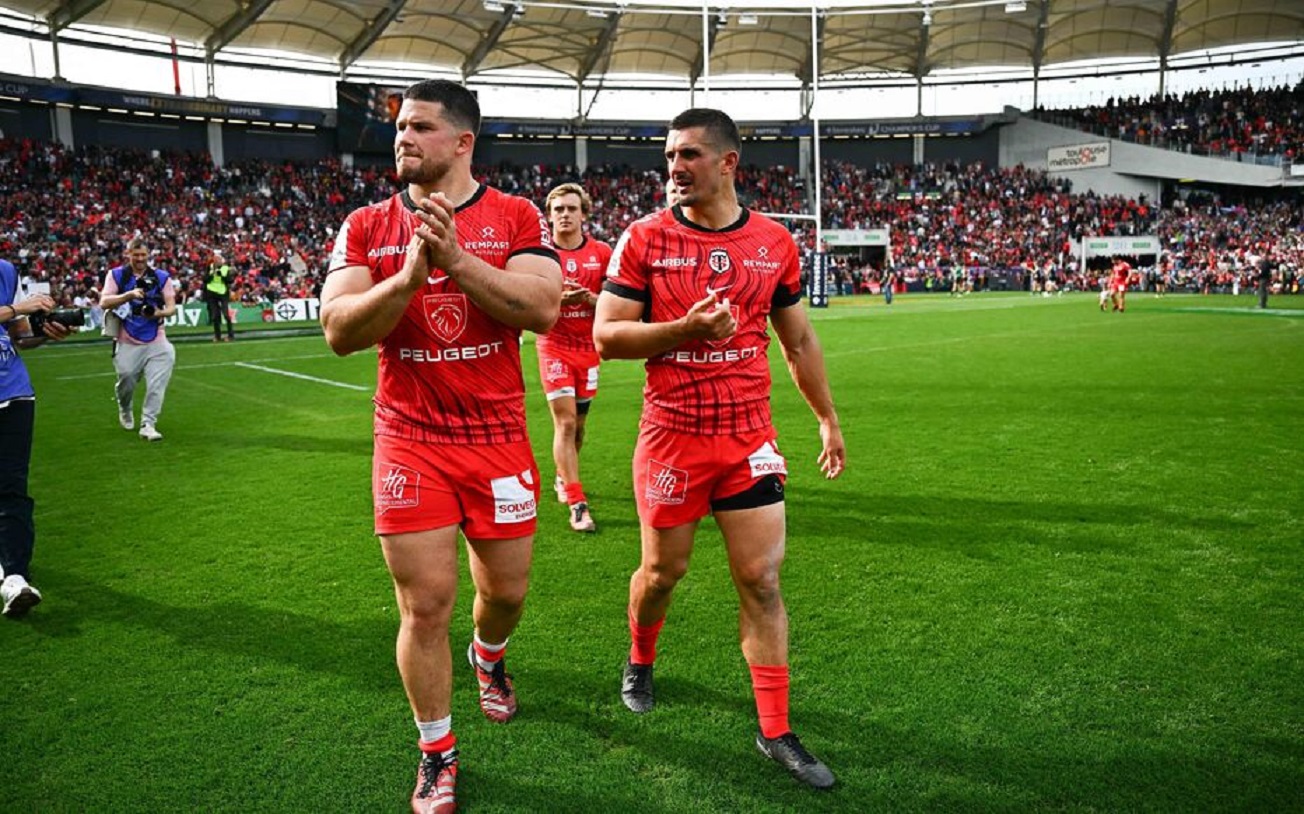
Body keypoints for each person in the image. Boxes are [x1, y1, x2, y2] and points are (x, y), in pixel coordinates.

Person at [319, 79, 561, 814]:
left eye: (420, 127)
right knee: (425, 606)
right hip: (410, 438)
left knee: (505, 593)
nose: (403, 138)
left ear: (462, 142)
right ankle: (436, 752)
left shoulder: (516, 214)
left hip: (497, 440)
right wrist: (406, 278)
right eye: (400, 128)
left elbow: (544, 307)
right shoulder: (365, 224)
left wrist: (455, 260)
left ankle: (488, 657)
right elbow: (339, 331)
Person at [594, 108, 846, 791]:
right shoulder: (644, 238)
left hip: (749, 438)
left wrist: (826, 417)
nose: (675, 167)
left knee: (762, 579)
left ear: (729, 163)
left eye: (690, 156)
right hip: (672, 437)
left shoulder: (772, 243)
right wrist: (684, 329)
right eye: (670, 156)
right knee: (661, 573)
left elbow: (797, 341)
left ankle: (775, 729)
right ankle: (641, 658)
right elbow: (607, 337)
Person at [536, 183, 612, 533]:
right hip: (553, 346)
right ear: (550, 216)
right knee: (565, 424)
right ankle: (578, 504)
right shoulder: (540, 254)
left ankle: (562, 476)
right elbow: (529, 304)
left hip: (588, 350)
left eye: (571, 208)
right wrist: (557, 303)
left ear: (584, 213)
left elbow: (616, 304)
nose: (564, 215)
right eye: (558, 210)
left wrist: (591, 300)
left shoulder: (602, 253)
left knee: (579, 428)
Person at [0, 259, 72, 618]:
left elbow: (16, 335)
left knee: (13, 489)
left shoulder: (5, 270)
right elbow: (14, 313)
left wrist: (45, 332)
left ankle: (16, 578)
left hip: (14, 394)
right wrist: (20, 307)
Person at [99, 238, 177, 442]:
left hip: (157, 338)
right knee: (126, 379)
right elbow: (104, 302)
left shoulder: (161, 277)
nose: (140, 258)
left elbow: (172, 307)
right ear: (128, 254)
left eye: (143, 254)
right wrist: (128, 295)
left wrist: (159, 313)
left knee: (156, 384)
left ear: (148, 254)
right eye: (136, 254)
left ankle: (148, 424)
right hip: (127, 338)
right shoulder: (117, 275)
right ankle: (124, 406)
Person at [204, 250, 236, 342]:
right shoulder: (210, 267)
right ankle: (217, 336)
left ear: (221, 260)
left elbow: (230, 280)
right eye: (215, 259)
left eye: (218, 259)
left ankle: (231, 335)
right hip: (211, 292)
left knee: (226, 315)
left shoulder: (225, 268)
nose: (216, 261)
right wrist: (211, 274)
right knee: (215, 316)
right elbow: (205, 279)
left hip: (223, 293)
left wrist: (221, 275)